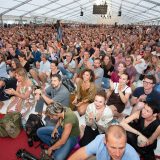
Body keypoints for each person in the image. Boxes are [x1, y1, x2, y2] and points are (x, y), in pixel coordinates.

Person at [68, 125, 140, 160]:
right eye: (113, 147)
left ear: (125, 142)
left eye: (121, 148)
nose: (118, 154)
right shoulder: (100, 139)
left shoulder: (133, 157)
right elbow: (82, 153)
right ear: (105, 141)